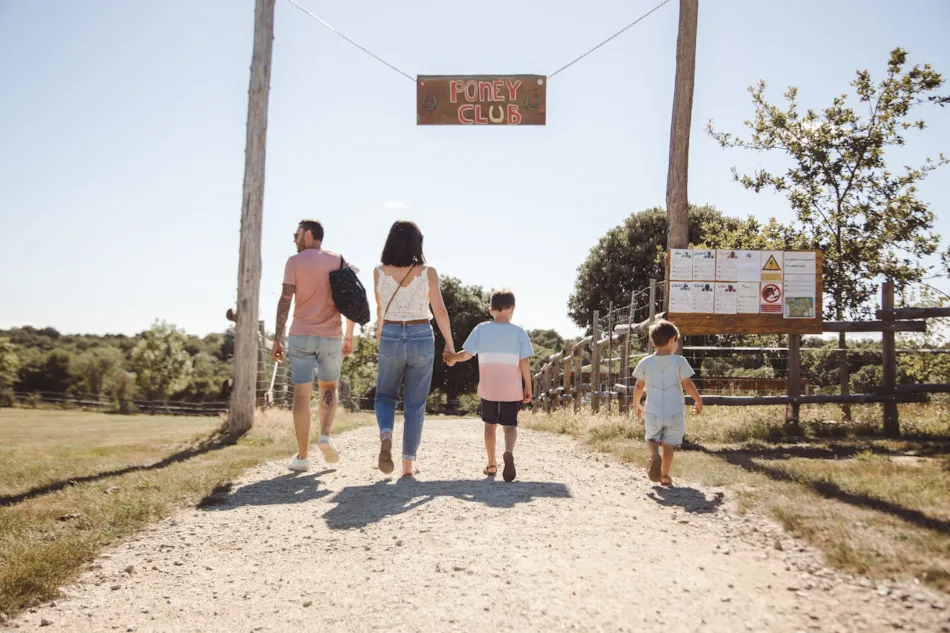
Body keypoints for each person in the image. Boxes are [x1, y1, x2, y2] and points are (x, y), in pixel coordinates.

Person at [272, 220, 356, 472]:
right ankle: (325, 436)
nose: (294, 239)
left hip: (301, 336)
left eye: (296, 234)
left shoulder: (294, 262)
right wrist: (349, 337)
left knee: (301, 394)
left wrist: (278, 337)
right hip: (331, 336)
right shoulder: (339, 260)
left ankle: (302, 457)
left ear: (309, 235)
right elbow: (353, 299)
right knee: (329, 387)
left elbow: (285, 299)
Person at [373, 220, 454, 477]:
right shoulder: (428, 272)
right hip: (421, 334)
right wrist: (450, 346)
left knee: (385, 395)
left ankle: (386, 433)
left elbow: (380, 309)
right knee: (415, 403)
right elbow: (439, 311)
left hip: (391, 333)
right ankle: (408, 464)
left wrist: (380, 336)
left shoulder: (378, 272)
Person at [445, 289, 533, 482]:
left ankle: (492, 464)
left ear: (490, 309)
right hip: (511, 389)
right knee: (510, 426)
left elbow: (467, 354)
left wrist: (452, 358)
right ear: (512, 308)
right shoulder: (519, 333)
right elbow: (524, 361)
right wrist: (528, 386)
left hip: (489, 387)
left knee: (489, 426)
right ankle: (508, 451)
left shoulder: (481, 329)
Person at [631, 319, 703, 486]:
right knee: (669, 444)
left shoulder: (645, 362)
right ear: (672, 340)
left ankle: (655, 454)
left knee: (651, 437)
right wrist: (698, 400)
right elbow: (688, 384)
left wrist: (636, 404)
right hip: (674, 411)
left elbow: (639, 386)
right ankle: (664, 475)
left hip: (653, 409)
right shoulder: (679, 361)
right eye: (676, 340)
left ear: (653, 341)